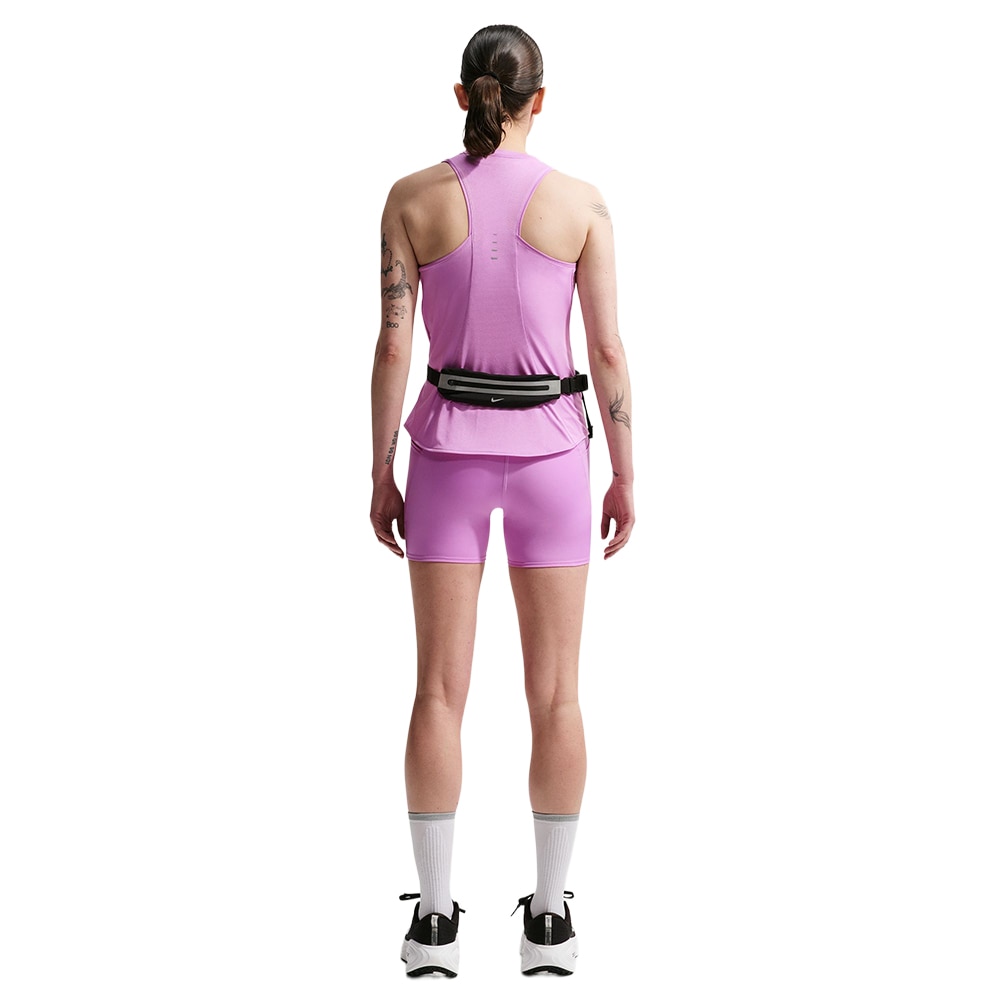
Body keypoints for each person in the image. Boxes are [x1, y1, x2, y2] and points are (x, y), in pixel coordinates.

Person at [369, 24, 635, 978]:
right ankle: (549, 921)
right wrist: (627, 472)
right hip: (555, 456)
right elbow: (606, 351)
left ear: (461, 95)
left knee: (438, 690)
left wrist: (380, 471)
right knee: (556, 693)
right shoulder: (581, 204)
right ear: (539, 100)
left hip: (446, 453)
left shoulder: (410, 199)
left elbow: (393, 345)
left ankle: (435, 923)